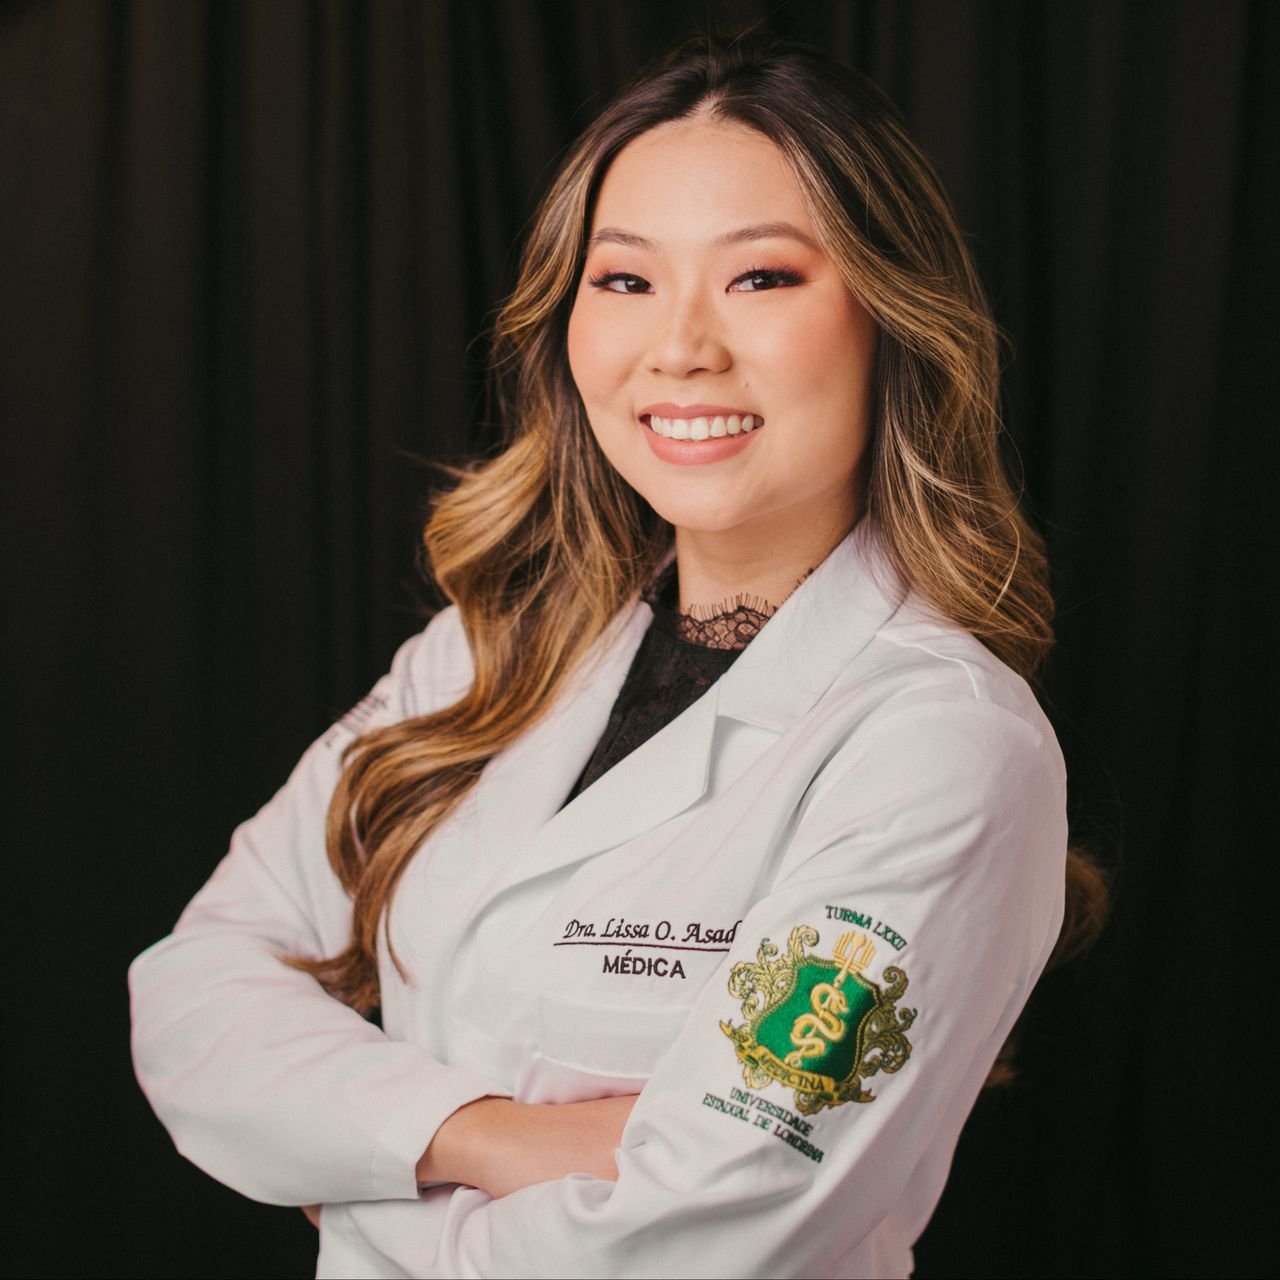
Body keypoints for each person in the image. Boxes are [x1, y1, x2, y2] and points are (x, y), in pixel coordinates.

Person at [130, 32, 1104, 1279]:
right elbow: (194, 987)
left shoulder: (939, 743)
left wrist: (353, 1186)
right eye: (626, 279)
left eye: (759, 277)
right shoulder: (489, 652)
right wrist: (473, 1135)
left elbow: (699, 1239)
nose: (679, 347)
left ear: (887, 316)